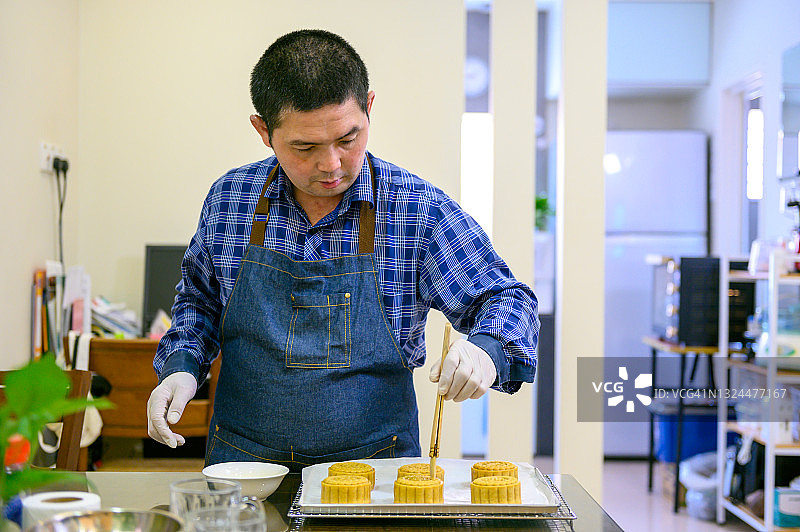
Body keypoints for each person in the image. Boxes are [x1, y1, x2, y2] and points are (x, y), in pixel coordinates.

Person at [147, 29, 539, 471]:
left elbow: (508, 299)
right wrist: (181, 366)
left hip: (376, 477)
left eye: (348, 139)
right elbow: (199, 303)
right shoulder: (230, 200)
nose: (331, 164)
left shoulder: (416, 210)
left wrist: (486, 349)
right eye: (305, 147)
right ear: (263, 131)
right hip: (244, 470)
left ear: (368, 107)